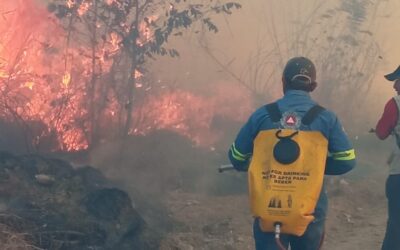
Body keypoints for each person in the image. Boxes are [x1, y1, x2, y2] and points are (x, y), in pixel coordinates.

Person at [228, 56, 356, 250]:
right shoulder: (326, 118)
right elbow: (347, 160)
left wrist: (260, 163)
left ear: (283, 82)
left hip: (269, 207)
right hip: (310, 209)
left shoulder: (262, 114)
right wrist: (315, 166)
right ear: (313, 86)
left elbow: (236, 157)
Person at [374, 65, 400, 250]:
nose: (394, 86)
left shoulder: (395, 104)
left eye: (397, 81)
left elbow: (381, 132)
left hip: (399, 174)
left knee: (396, 225)